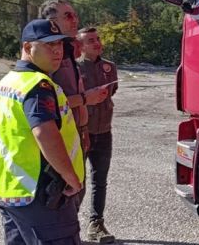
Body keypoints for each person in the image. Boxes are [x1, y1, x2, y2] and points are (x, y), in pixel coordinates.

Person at [0, 19, 84, 244]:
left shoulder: (9, 81)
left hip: (9, 188)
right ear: (28, 48)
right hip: (38, 193)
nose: (57, 50)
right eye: (49, 45)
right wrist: (71, 178)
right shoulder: (38, 86)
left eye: (59, 44)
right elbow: (45, 133)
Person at [39, 0, 108, 214]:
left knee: (77, 193)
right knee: (64, 196)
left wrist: (84, 129)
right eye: (68, 16)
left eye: (75, 15)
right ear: (52, 22)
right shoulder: (49, 57)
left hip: (78, 132)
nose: (75, 19)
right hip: (61, 135)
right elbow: (48, 101)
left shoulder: (67, 51)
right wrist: (86, 98)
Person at [77, 27, 118, 243]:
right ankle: (69, 225)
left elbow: (113, 91)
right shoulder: (73, 68)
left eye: (98, 39)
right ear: (80, 46)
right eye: (90, 40)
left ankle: (96, 223)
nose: (97, 43)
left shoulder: (109, 67)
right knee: (76, 181)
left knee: (99, 180)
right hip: (81, 132)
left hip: (104, 132)